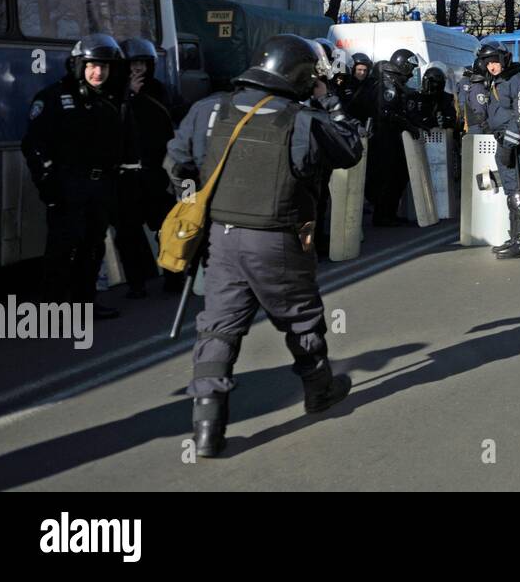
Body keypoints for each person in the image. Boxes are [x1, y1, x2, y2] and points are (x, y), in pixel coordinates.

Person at [166, 34, 363, 457]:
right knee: (300, 319)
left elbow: (176, 163)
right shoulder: (302, 120)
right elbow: (350, 149)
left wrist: (193, 204)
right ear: (303, 77)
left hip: (221, 237)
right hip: (278, 238)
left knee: (218, 326)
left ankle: (207, 427)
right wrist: (330, 100)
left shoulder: (210, 109)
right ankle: (319, 390)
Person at [22, 34, 133, 319]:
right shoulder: (53, 98)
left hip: (100, 187)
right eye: (92, 66)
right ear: (79, 65)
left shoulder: (111, 101)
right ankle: (52, 310)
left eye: (105, 67)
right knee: (62, 249)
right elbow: (34, 145)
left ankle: (84, 305)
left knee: (92, 248)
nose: (98, 72)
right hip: (67, 186)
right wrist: (47, 186)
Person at [111, 37, 177, 298]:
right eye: (132, 64)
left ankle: (173, 277)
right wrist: (129, 97)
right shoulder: (115, 94)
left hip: (154, 171)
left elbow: (167, 123)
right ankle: (136, 283)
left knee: (166, 227)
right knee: (128, 233)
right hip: (126, 174)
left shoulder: (159, 90)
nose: (138, 69)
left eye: (142, 63)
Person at [479, 42, 520, 259]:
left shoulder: (517, 80)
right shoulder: (498, 81)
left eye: (494, 62)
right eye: (487, 63)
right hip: (504, 141)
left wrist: (509, 145)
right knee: (511, 192)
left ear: (503, 60)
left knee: (519, 192)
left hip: (516, 144)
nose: (491, 67)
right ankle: (515, 237)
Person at [366, 48, 422, 227]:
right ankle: (383, 214)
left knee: (397, 176)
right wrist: (408, 125)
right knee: (389, 177)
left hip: (391, 137)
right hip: (385, 137)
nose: (412, 72)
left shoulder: (393, 82)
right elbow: (387, 112)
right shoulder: (388, 84)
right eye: (410, 67)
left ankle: (389, 212)